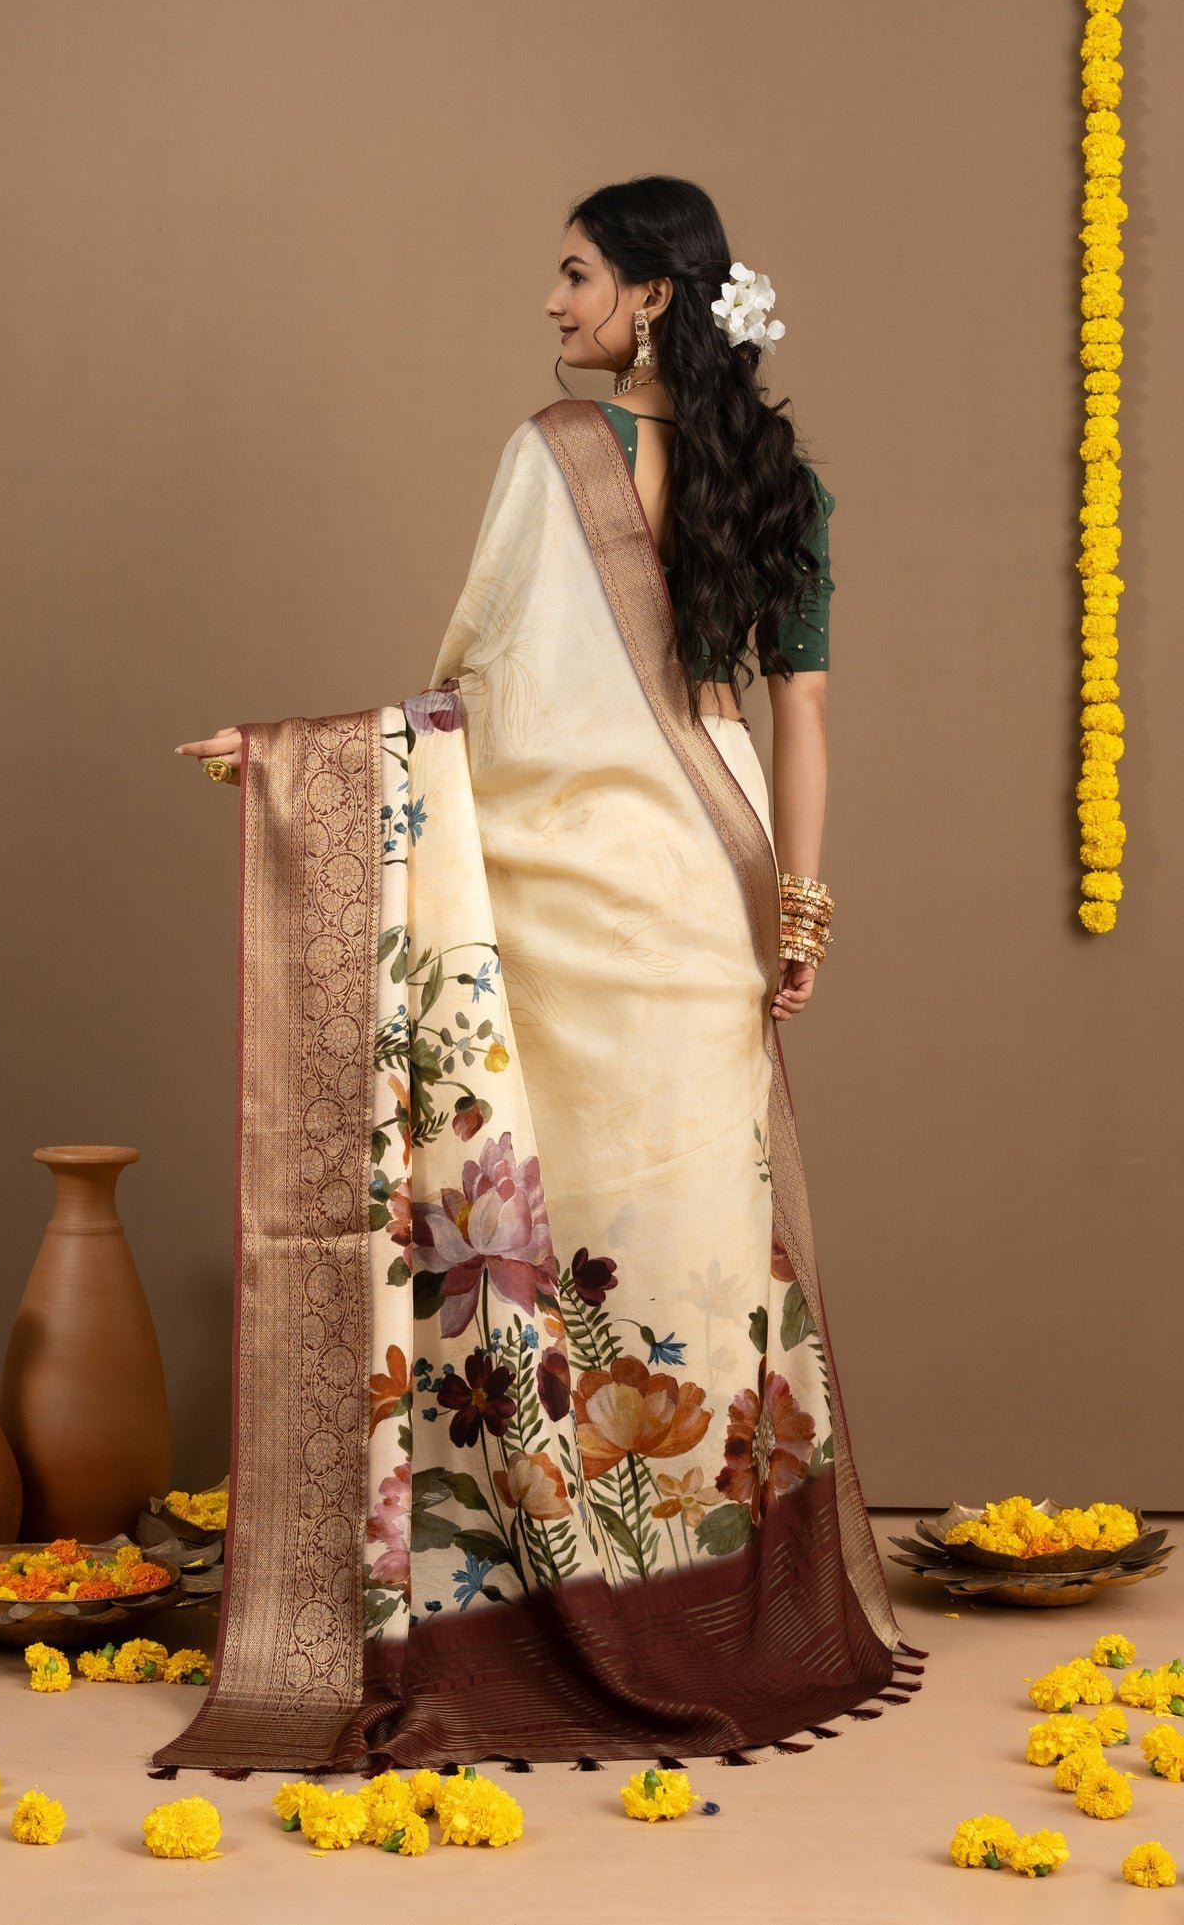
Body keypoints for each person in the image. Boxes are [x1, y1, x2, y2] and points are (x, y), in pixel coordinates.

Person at [158, 176, 923, 1777]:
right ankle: (710, 1590)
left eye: (577, 274)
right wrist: (800, 908)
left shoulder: (556, 452)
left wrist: (307, 762)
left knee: (559, 1217)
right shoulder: (781, 477)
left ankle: (552, 1575)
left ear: (653, 295)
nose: (553, 302)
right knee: (696, 1229)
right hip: (713, 879)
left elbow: (477, 706)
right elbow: (802, 714)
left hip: (572, 884)